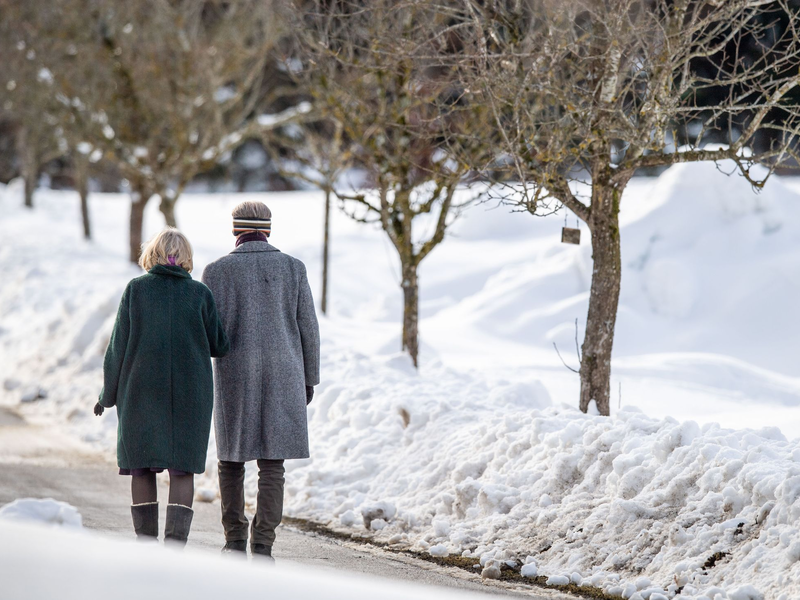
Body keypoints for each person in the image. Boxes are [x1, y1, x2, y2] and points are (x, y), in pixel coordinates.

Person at [95, 228, 229, 546]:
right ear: (185, 258)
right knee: (182, 471)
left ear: (151, 255)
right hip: (191, 396)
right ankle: (174, 546)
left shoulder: (136, 291)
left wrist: (108, 395)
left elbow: (117, 347)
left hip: (140, 393)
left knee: (141, 468)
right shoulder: (200, 294)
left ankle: (145, 545)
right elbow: (220, 345)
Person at [202, 201, 320, 561]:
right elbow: (309, 329)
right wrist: (309, 378)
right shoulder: (293, 268)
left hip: (234, 374)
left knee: (231, 462)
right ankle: (264, 543)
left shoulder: (216, 272)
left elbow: (208, 331)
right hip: (285, 373)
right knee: (273, 464)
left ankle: (234, 540)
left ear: (235, 230)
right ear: (267, 229)